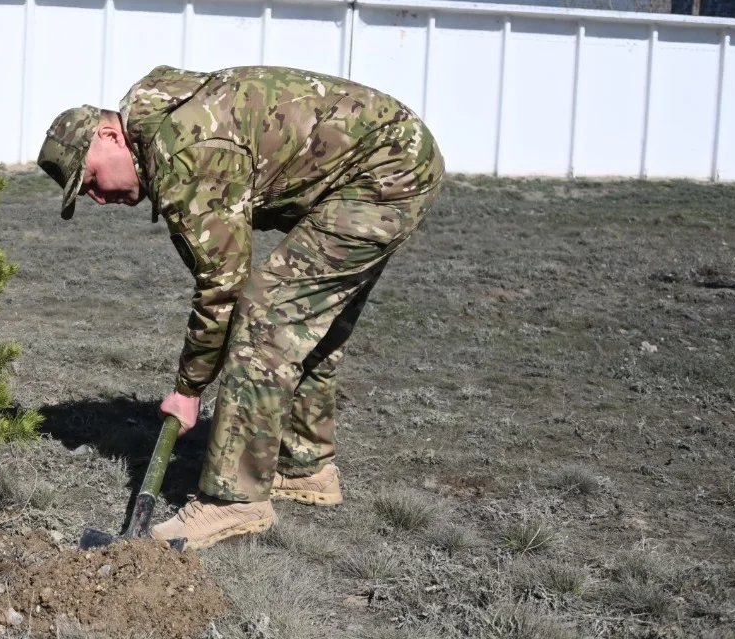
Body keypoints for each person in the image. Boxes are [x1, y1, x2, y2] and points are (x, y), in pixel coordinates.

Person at [37, 66, 444, 550]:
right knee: (306, 321)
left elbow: (222, 285)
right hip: (393, 157)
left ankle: (234, 500)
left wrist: (188, 390)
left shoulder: (182, 150)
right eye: (86, 195)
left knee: (267, 316)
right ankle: (305, 465)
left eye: (90, 180)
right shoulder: (168, 127)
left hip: (383, 172)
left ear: (110, 136)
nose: (99, 198)